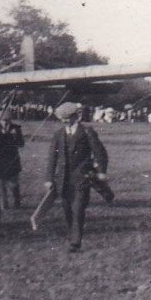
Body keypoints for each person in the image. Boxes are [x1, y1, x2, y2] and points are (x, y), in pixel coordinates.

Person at [45, 102, 112, 253]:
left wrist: (101, 171)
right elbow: (52, 159)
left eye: (67, 118)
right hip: (63, 180)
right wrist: (49, 178)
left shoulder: (87, 132)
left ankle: (75, 242)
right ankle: (73, 235)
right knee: (67, 210)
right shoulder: (58, 135)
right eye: (62, 119)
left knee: (78, 209)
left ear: (75, 117)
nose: (64, 121)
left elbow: (100, 152)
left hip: (82, 178)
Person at [0, 116, 24, 209]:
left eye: (7, 120)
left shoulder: (16, 128)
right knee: (0, 183)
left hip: (12, 159)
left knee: (13, 183)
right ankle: (4, 205)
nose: (6, 122)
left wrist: (15, 136)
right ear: (0, 120)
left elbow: (21, 144)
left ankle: (17, 202)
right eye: (3, 120)